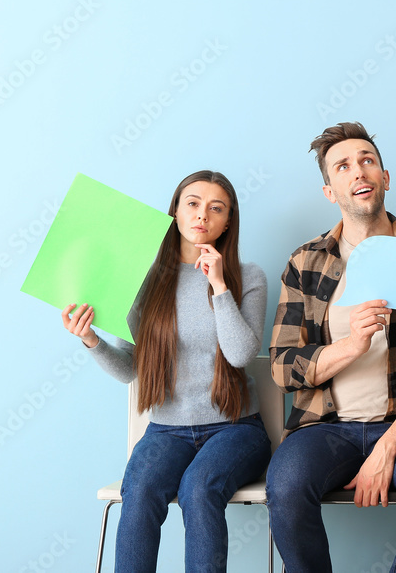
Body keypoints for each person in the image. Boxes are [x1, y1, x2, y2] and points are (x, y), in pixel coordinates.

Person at [266, 121, 396, 573]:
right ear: (330, 190)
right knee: (287, 484)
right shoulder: (305, 263)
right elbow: (282, 368)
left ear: (384, 178)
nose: (358, 172)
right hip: (323, 427)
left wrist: (386, 448)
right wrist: (350, 346)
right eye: (343, 166)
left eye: (367, 161)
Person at [61, 170, 270, 572]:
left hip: (236, 428)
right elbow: (128, 370)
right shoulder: (147, 282)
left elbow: (241, 354)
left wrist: (220, 285)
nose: (202, 215)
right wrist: (91, 340)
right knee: (138, 489)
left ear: (229, 221)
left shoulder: (249, 276)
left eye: (216, 208)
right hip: (166, 429)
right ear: (174, 211)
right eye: (192, 203)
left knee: (199, 487)